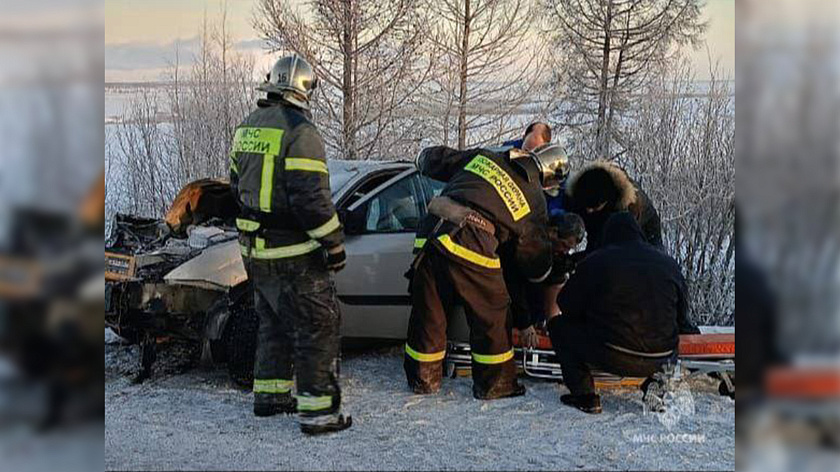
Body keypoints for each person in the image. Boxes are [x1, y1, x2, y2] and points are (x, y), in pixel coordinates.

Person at [230, 54, 351, 435]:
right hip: (292, 251)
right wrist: (334, 245)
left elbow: (234, 186)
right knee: (319, 323)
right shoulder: (301, 132)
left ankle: (270, 396)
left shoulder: (247, 127)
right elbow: (311, 200)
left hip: (253, 249)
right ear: (303, 88)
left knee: (273, 321)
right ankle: (319, 413)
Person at [406, 143, 568, 399]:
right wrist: (545, 271)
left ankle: (423, 378)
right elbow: (531, 255)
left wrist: (423, 157)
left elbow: (440, 160)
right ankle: (497, 384)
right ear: (548, 178)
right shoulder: (534, 197)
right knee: (493, 312)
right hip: (469, 241)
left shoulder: (486, 158)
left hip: (430, 235)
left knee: (430, 311)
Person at [546, 212, 700, 414]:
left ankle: (585, 395)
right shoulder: (669, 264)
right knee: (667, 337)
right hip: (661, 358)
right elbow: (681, 319)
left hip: (610, 353)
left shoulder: (596, 261)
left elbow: (565, 304)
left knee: (558, 326)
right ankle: (656, 390)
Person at [565, 161, 662, 253]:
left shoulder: (626, 207)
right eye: (586, 207)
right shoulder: (579, 191)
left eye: (594, 208)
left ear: (606, 201)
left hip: (647, 231)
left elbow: (615, 248)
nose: (589, 210)